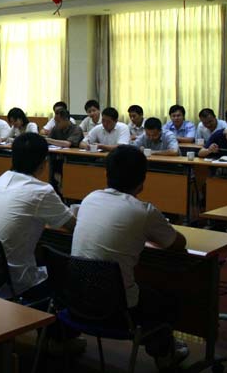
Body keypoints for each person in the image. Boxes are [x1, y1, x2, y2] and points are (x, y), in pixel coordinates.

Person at [72, 145, 188, 371]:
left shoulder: (90, 198)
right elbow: (177, 243)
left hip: (76, 298)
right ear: (143, 180)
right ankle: (165, 354)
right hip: (118, 310)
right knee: (167, 298)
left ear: (106, 174)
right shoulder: (144, 211)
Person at [0, 133, 76, 298]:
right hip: (15, 282)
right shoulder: (41, 191)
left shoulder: (0, 180)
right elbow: (73, 226)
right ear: (43, 163)